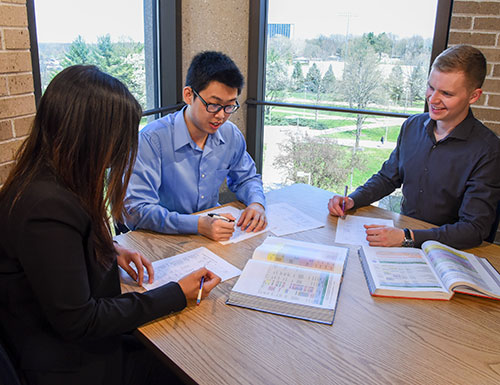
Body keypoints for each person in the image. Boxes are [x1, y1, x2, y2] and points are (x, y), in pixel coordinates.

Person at [0, 65, 221, 385]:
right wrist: (176, 293)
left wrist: (110, 249)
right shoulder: (46, 207)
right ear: (90, 137)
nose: (121, 150)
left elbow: (60, 251)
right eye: (118, 138)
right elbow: (80, 321)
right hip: (69, 364)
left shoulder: (49, 180)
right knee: (192, 366)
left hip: (78, 346)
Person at [328, 45, 500, 249]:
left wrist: (406, 237)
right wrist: (352, 200)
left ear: (473, 96)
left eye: (446, 93)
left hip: (449, 251)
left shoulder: (489, 150)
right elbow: (387, 178)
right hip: (403, 236)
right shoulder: (412, 126)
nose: (433, 99)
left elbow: (473, 229)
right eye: (431, 87)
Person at [124, 51, 267, 242]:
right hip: (159, 238)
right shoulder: (152, 140)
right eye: (214, 105)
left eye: (229, 106)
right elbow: (136, 210)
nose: (221, 115)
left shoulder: (230, 135)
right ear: (189, 95)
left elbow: (247, 178)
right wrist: (198, 224)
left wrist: (257, 203)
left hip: (210, 237)